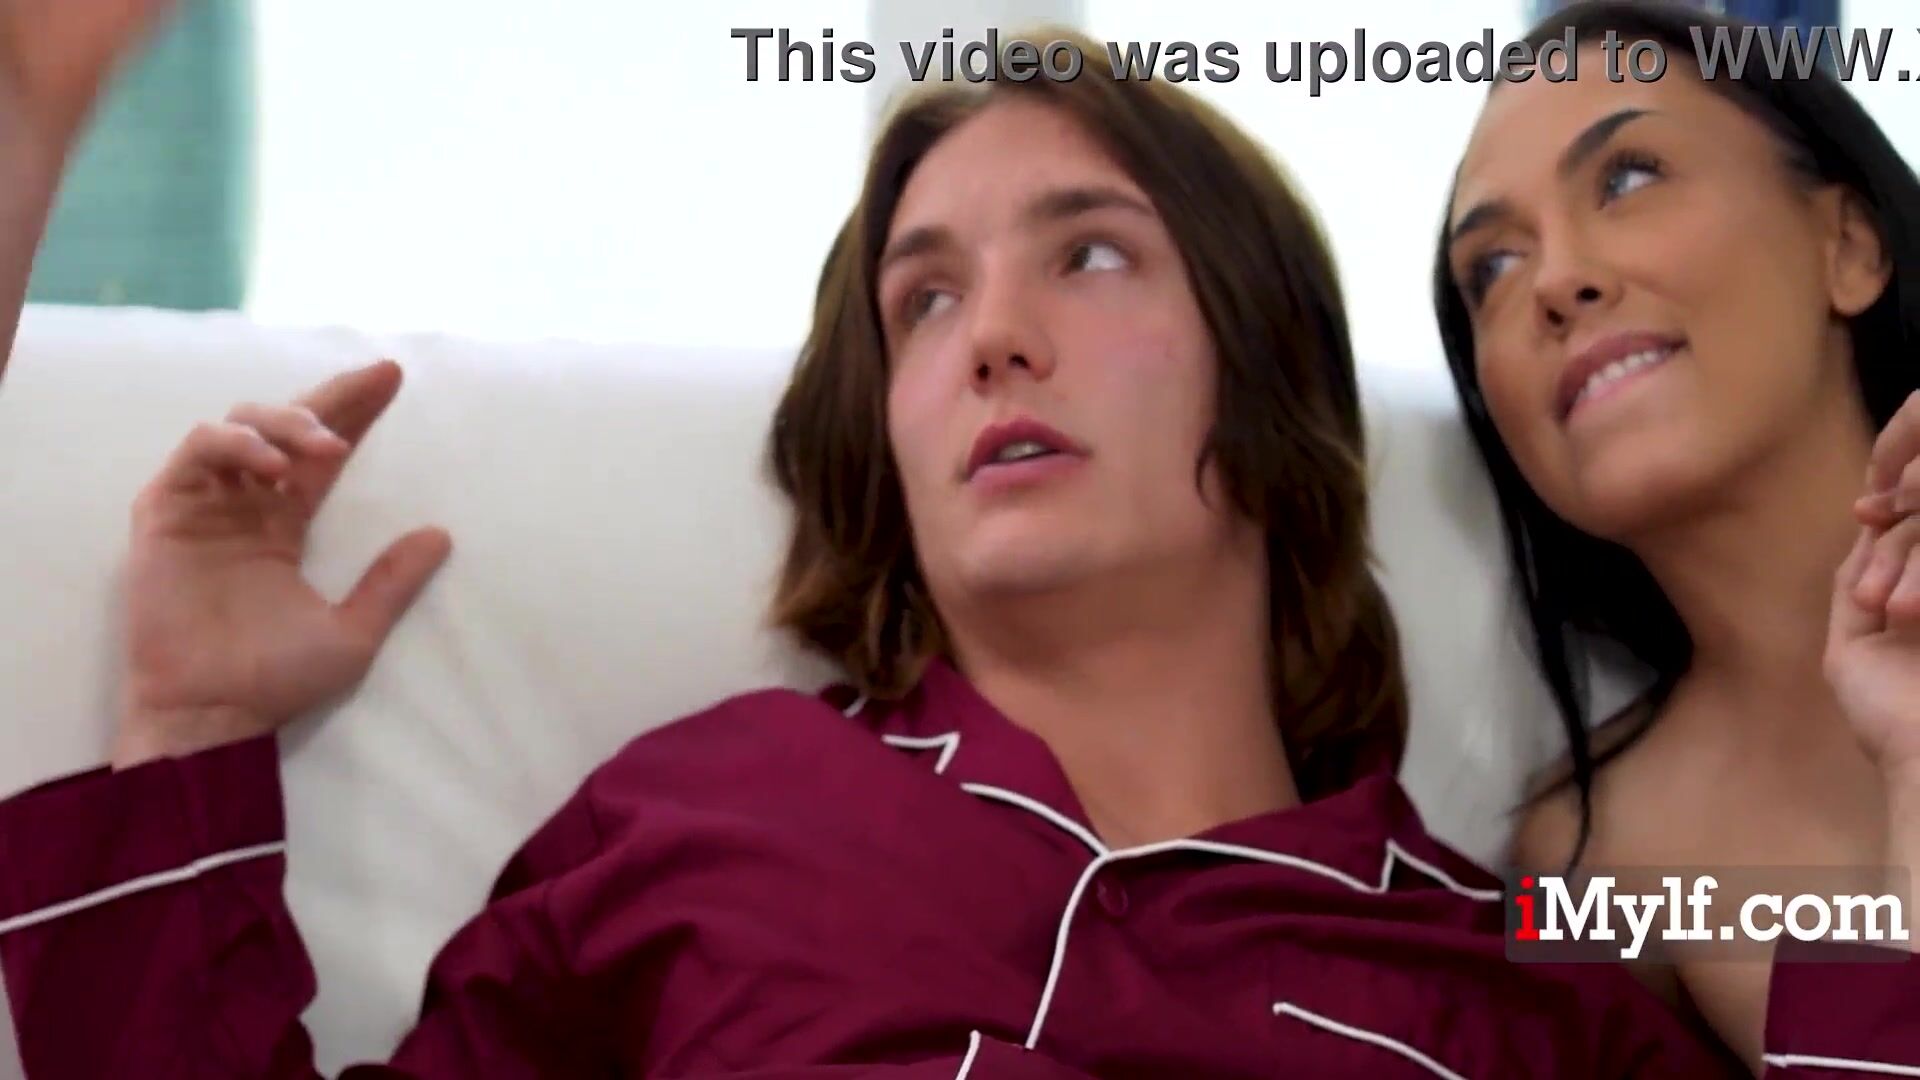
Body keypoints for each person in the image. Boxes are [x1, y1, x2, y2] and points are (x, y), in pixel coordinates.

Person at [0, 10, 1915, 1080]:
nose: (992, 332)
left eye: (1091, 257)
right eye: (923, 299)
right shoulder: (697, 828)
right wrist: (190, 725)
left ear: (1265, 381)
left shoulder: (1521, 974)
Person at [1433, 0, 1920, 1070]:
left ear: (1849, 243)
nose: (1554, 281)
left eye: (1629, 178)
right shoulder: (1574, 873)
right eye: (1491, 269)